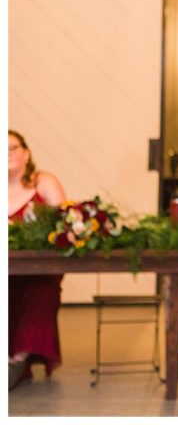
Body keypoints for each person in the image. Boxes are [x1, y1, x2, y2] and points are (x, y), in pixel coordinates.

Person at [8, 130, 67, 391]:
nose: (6, 154)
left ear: (26, 153)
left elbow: (65, 226)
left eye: (12, 148)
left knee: (38, 291)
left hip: (40, 269)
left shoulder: (43, 182)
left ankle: (15, 362)